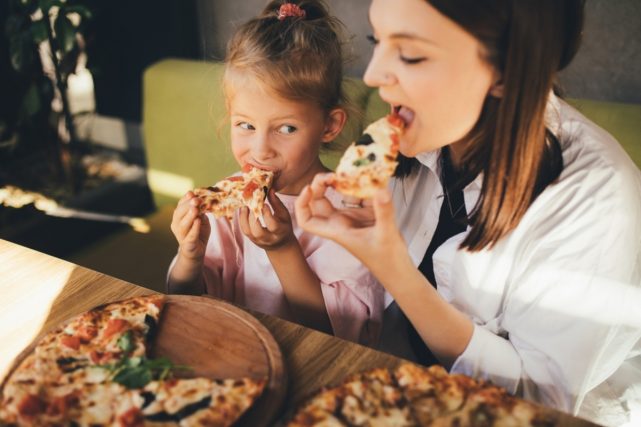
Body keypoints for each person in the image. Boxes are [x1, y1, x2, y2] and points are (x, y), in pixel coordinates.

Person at [295, 0, 641, 425]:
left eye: (410, 54)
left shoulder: (594, 192)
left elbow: (538, 405)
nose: (372, 75)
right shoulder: (413, 143)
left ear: (505, 70)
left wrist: (395, 271)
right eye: (377, 41)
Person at [167, 0, 385, 346]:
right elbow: (184, 300)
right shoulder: (228, 204)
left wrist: (283, 248)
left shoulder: (352, 212)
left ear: (329, 126)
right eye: (246, 125)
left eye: (285, 129)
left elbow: (341, 334)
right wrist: (189, 256)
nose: (260, 150)